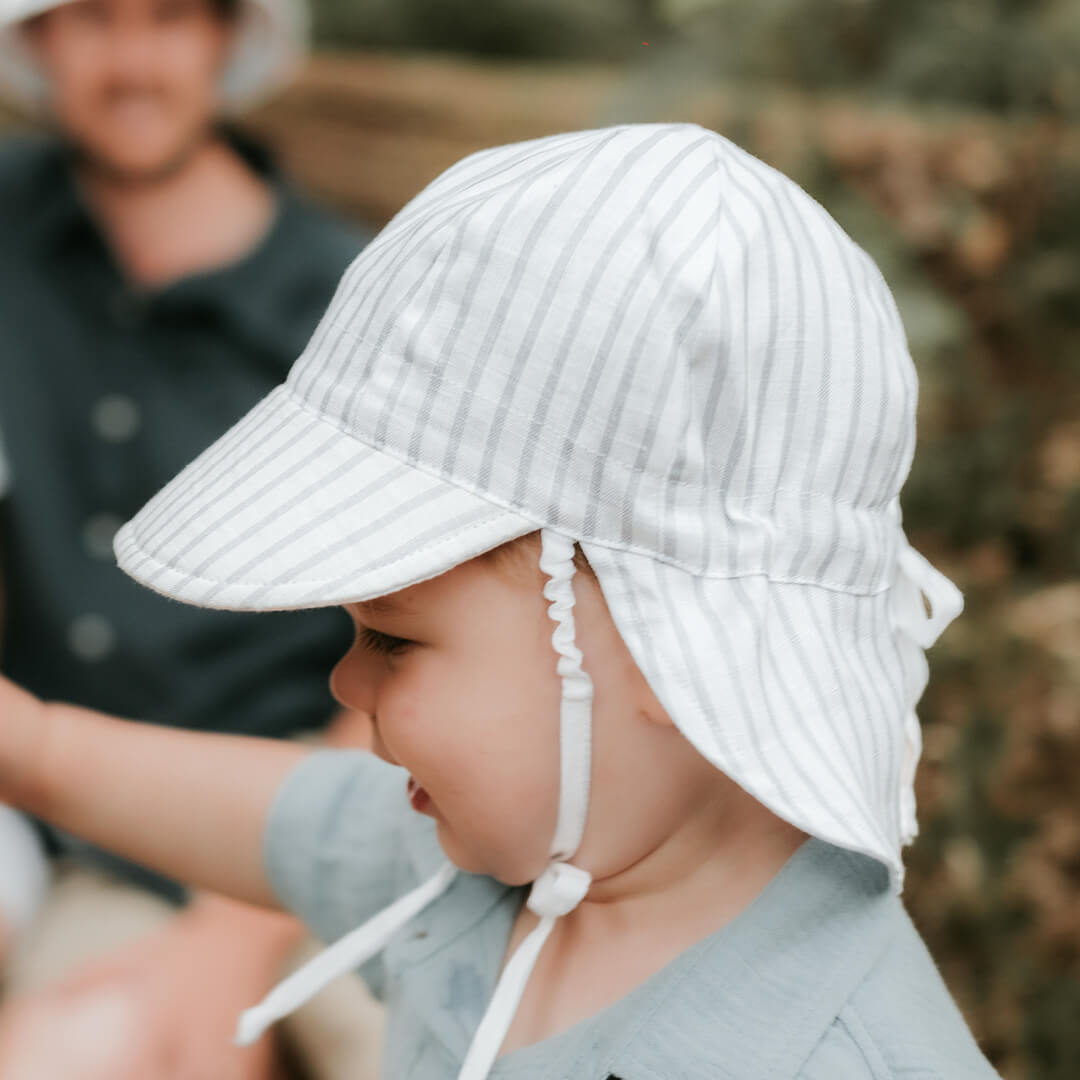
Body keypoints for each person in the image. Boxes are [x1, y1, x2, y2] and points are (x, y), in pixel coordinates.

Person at [0, 123, 1002, 1078]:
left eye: (394, 642)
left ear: (670, 645)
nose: (345, 681)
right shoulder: (494, 870)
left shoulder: (831, 1057)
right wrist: (34, 745)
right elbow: (259, 813)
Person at [0, 0, 379, 1075]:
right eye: (92, 21)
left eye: (168, 16)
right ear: (36, 42)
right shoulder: (10, 234)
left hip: (350, 800)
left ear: (230, 38)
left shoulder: (347, 305)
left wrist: (229, 936)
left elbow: (446, 643)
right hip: (100, 825)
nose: (130, 62)